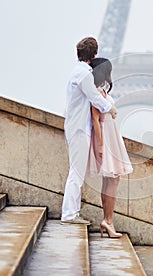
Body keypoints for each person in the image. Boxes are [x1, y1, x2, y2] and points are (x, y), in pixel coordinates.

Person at [61, 37, 117, 225]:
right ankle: (69, 214)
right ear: (94, 54)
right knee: (76, 172)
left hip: (76, 126)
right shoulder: (85, 75)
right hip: (79, 129)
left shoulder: (78, 72)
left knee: (76, 172)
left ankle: (72, 212)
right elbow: (95, 99)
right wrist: (111, 108)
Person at [88, 57, 133, 238]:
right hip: (107, 140)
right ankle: (108, 221)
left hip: (111, 138)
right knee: (113, 180)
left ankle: (107, 221)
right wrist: (100, 145)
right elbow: (96, 120)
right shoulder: (96, 93)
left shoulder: (98, 91)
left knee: (109, 181)